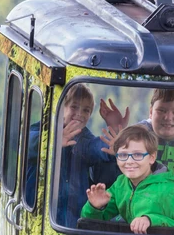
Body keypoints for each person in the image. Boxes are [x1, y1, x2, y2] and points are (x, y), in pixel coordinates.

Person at [81, 125, 174, 233]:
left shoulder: (167, 191)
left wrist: (152, 220)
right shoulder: (121, 184)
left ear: (152, 158)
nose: (129, 161)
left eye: (137, 155)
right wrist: (95, 207)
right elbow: (92, 223)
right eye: (123, 155)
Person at [36, 84, 118, 227]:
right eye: (74, 107)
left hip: (74, 217)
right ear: (61, 108)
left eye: (86, 110)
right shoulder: (45, 128)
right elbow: (28, 144)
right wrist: (53, 142)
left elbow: (96, 147)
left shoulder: (83, 138)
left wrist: (115, 138)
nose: (80, 114)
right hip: (44, 211)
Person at [100, 89, 174, 168]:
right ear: (151, 111)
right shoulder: (135, 135)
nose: (168, 117)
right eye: (161, 110)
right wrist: (117, 137)